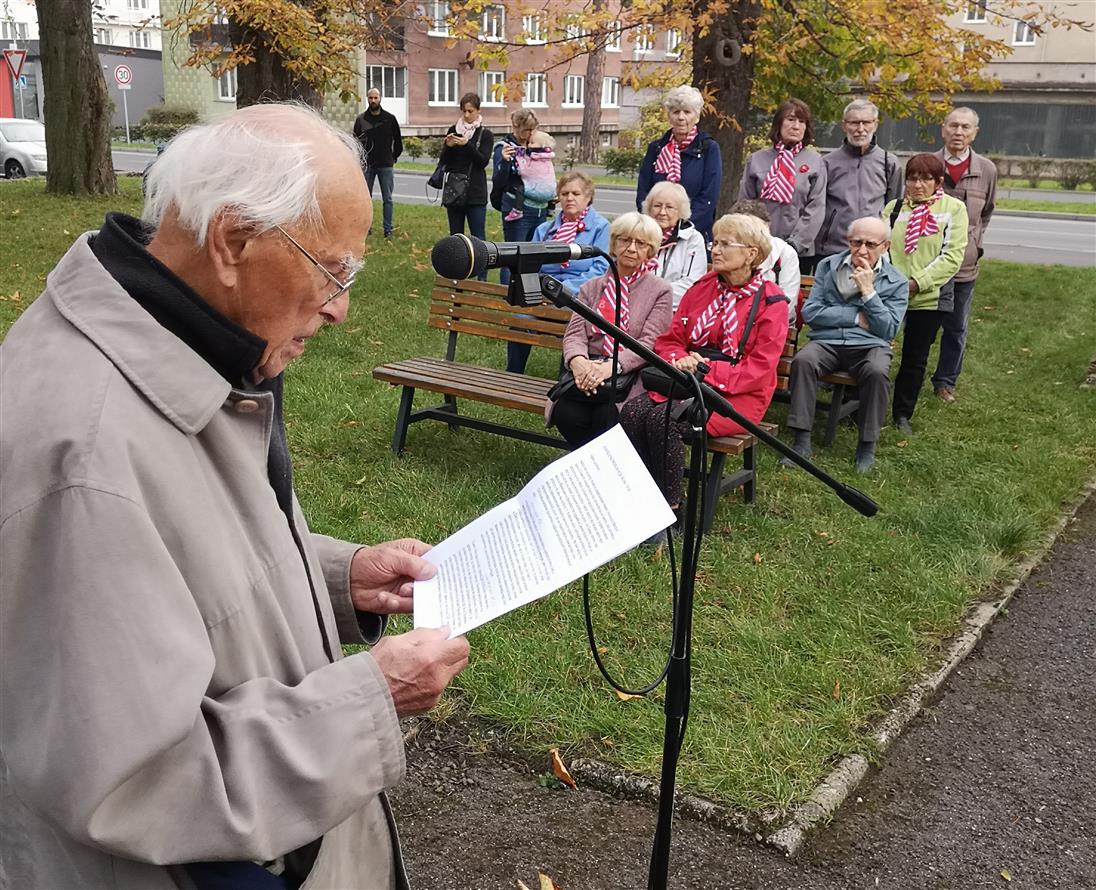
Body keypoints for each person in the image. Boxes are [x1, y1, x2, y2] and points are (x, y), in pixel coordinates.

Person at [0, 103, 470, 889]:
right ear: (232, 241)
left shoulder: (169, 337)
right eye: (333, 271)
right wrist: (371, 699)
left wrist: (336, 577)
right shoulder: (83, 450)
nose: (341, 307)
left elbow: (167, 556)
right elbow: (133, 783)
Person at [620, 214, 789, 535]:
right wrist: (680, 359)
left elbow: (760, 369)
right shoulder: (703, 288)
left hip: (737, 395)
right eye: (716, 242)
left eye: (726, 244)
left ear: (752, 253)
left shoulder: (771, 302)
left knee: (663, 420)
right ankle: (642, 496)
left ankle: (670, 511)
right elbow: (669, 341)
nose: (716, 249)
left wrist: (704, 370)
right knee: (632, 412)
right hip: (688, 381)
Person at [784, 217, 909, 474]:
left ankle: (866, 445)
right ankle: (801, 441)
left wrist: (869, 293)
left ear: (885, 246)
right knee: (804, 360)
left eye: (870, 244)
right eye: (856, 242)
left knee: (876, 371)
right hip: (827, 342)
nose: (862, 250)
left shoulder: (896, 280)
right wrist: (855, 317)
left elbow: (887, 329)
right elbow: (811, 313)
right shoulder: (828, 266)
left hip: (870, 345)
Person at [547, 212, 673, 448]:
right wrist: (579, 364)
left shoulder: (660, 291)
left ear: (651, 250)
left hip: (628, 375)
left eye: (640, 243)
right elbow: (574, 333)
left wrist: (609, 369)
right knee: (567, 413)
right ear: (614, 244)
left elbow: (649, 343)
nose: (631, 248)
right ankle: (587, 467)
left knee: (607, 418)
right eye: (625, 240)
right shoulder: (591, 287)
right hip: (586, 372)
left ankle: (602, 470)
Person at [883, 153, 968, 434]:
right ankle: (862, 404)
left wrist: (917, 283)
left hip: (928, 297)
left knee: (914, 357)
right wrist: (893, 282)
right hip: (890, 293)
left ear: (938, 181)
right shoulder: (893, 208)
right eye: (913, 178)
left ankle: (902, 414)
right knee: (875, 349)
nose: (918, 185)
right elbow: (879, 248)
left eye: (926, 179)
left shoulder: (953, 209)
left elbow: (952, 256)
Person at [506, 172, 610, 373]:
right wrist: (541, 290)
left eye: (575, 193)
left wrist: (561, 291)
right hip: (545, 297)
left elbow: (599, 270)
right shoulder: (544, 229)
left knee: (575, 328)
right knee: (521, 320)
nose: (569, 198)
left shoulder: (601, 227)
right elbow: (529, 266)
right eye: (564, 193)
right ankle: (512, 374)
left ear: (588, 197)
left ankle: (566, 381)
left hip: (579, 301)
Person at [930, 106, 998, 404]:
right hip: (926, 263)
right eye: (953, 126)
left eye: (965, 127)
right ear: (943, 128)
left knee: (956, 327)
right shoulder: (927, 164)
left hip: (963, 267)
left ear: (975, 133)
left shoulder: (986, 170)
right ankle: (910, 373)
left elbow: (986, 213)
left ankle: (945, 381)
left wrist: (974, 242)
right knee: (920, 326)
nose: (959, 132)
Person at [813, 98, 903, 263]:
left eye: (866, 122)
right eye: (854, 123)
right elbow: (817, 205)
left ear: (875, 125)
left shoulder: (888, 162)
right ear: (844, 125)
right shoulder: (827, 163)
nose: (860, 129)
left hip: (872, 249)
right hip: (833, 249)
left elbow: (893, 206)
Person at [739, 98, 827, 261]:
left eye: (802, 121)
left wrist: (794, 245)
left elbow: (816, 207)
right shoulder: (757, 160)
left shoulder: (815, 161)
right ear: (779, 123)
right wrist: (757, 239)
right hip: (759, 247)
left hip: (798, 251)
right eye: (791, 119)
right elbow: (746, 203)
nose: (796, 126)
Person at [636, 85, 722, 246]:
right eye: (676, 112)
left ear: (696, 117)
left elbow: (709, 196)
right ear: (669, 116)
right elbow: (643, 193)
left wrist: (680, 226)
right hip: (655, 231)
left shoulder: (708, 148)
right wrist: (653, 223)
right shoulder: (656, 148)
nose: (681, 117)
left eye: (687, 112)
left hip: (693, 231)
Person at [491, 108, 553, 281]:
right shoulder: (504, 148)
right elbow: (498, 181)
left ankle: (526, 292)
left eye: (533, 129)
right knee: (513, 253)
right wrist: (503, 163)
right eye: (526, 129)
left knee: (533, 254)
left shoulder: (536, 143)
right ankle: (507, 293)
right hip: (517, 210)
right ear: (515, 126)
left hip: (539, 209)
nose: (529, 134)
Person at [439, 92, 494, 278]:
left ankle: (482, 277)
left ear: (478, 111)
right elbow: (444, 162)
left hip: (476, 193)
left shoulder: (485, 134)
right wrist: (448, 146)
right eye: (464, 111)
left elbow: (482, 161)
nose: (467, 115)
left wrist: (467, 144)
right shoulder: (453, 129)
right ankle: (457, 275)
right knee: (456, 237)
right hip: (455, 191)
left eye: (470, 111)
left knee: (478, 235)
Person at [729, 198, 801, 326]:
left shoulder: (785, 254)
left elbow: (787, 307)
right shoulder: (727, 250)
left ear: (767, 228)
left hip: (769, 325)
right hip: (729, 322)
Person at [642, 181, 707, 310]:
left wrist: (648, 295)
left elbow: (692, 283)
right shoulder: (638, 234)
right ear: (649, 209)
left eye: (669, 207)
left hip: (675, 310)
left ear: (681, 211)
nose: (662, 212)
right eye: (657, 205)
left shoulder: (693, 239)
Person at [353, 87, 403, 239]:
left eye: (376, 98)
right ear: (367, 99)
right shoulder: (361, 120)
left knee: (387, 199)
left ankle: (388, 229)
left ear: (380, 98)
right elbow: (355, 142)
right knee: (365, 199)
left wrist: (393, 157)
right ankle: (366, 228)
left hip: (386, 165)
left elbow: (398, 142)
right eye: (370, 98)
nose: (373, 100)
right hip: (368, 165)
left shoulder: (390, 119)